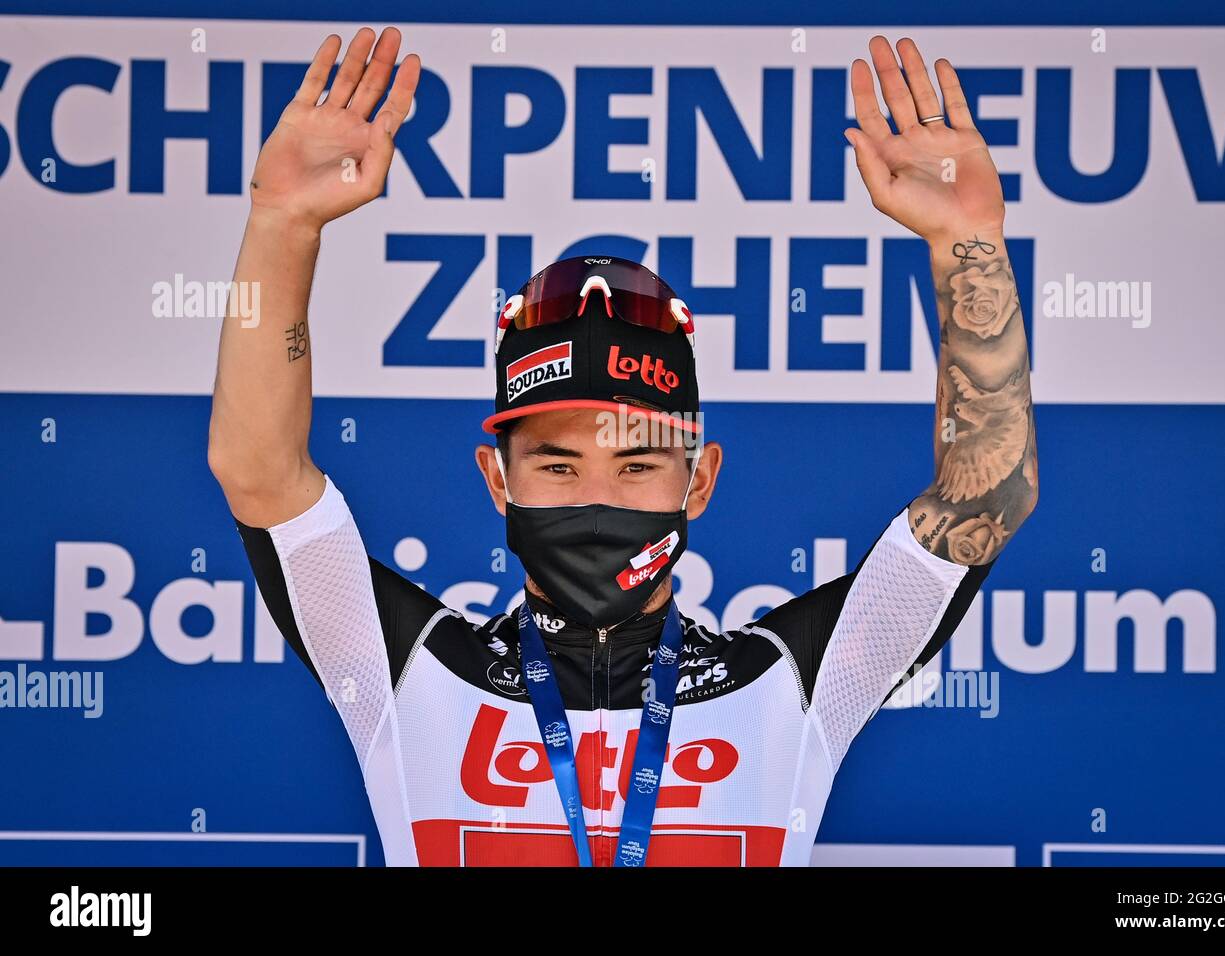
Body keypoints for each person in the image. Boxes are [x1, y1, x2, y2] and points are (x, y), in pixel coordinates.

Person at [208, 27, 1038, 866]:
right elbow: (259, 474)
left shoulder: (792, 685)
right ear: (496, 480)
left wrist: (966, 240)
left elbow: (986, 498)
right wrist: (284, 223)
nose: (594, 498)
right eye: (558, 464)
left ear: (700, 480)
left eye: (637, 464)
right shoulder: (409, 673)